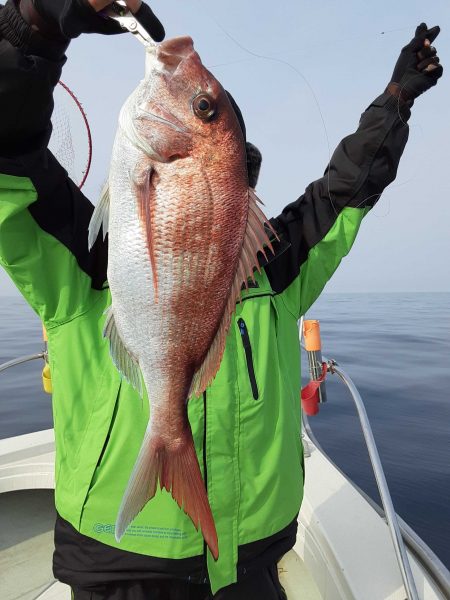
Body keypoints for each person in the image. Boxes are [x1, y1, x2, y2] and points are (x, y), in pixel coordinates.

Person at [0, 1, 443, 598]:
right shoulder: (83, 259)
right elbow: (7, 155)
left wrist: (396, 100)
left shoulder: (274, 273)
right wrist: (35, 22)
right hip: (117, 563)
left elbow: (345, 189)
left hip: (249, 561)